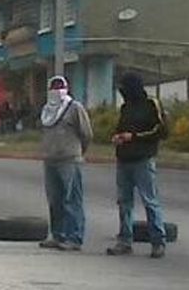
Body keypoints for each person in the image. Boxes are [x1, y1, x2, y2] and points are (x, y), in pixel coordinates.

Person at [106, 72, 168, 259]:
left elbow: (162, 130)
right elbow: (121, 127)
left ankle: (158, 241)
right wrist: (117, 137)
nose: (123, 90)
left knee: (150, 201)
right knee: (124, 202)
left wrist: (134, 137)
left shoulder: (151, 104)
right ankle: (124, 241)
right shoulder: (126, 107)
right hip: (124, 159)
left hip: (143, 159)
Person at [39, 76, 93, 252]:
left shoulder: (74, 108)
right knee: (55, 200)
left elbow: (86, 133)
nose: (56, 90)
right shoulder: (47, 111)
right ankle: (58, 235)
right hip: (50, 160)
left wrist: (77, 152)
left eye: (60, 86)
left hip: (69, 160)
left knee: (72, 199)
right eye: (53, 87)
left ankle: (74, 237)